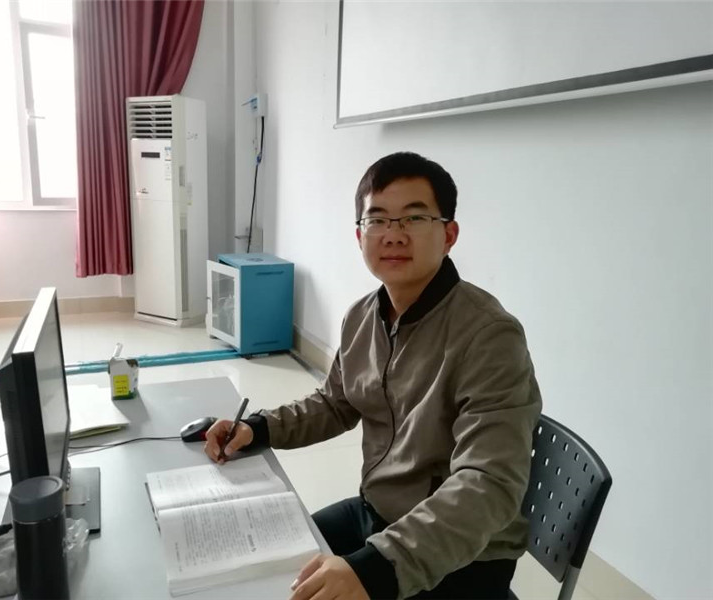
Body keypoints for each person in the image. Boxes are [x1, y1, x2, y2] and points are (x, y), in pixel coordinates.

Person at [203, 152, 542, 600]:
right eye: (378, 220)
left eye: (414, 218)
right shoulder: (363, 315)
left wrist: (375, 569)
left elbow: (488, 482)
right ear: (360, 235)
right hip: (375, 514)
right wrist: (258, 427)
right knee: (262, 569)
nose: (394, 234)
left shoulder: (488, 335)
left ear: (449, 235)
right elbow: (335, 403)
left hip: (460, 555)